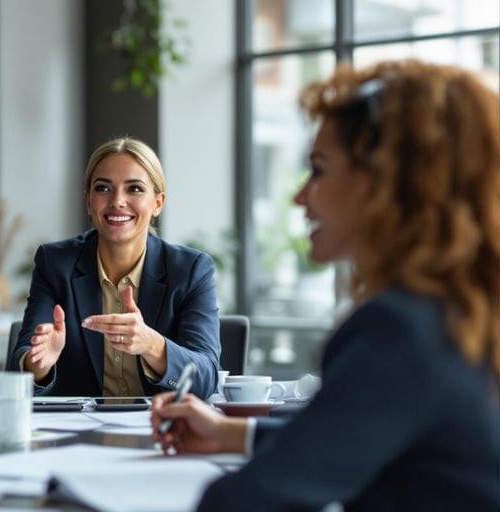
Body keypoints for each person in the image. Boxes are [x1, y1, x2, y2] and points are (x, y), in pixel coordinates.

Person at [152, 60, 500, 510]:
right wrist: (233, 433)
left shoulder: (400, 329)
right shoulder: (464, 312)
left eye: (317, 169)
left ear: (382, 184)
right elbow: (375, 432)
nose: (299, 196)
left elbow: (245, 502)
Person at [9, 137, 221, 397]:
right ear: (88, 200)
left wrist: (151, 345)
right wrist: (39, 364)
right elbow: (20, 367)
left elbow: (207, 377)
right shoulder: (55, 263)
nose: (117, 201)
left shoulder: (191, 270)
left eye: (134, 189)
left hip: (159, 429)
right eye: (103, 188)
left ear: (158, 203)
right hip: (78, 432)